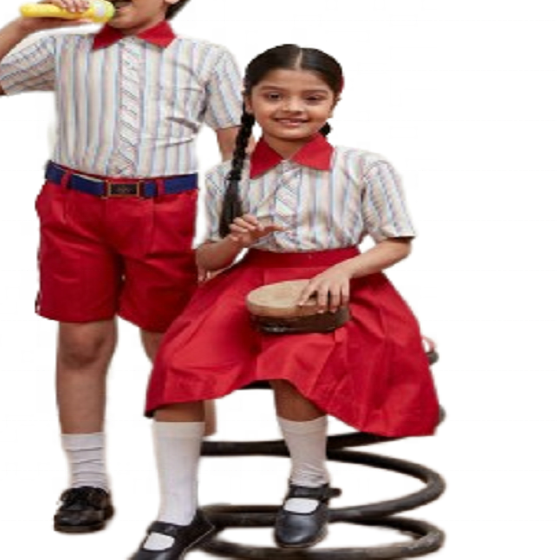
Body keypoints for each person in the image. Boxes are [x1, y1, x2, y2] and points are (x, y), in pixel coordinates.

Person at [0, 0, 243, 534]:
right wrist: (24, 25)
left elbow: (236, 152)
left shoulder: (206, 57)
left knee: (169, 342)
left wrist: (228, 233)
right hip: (73, 208)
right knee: (80, 343)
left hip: (164, 210)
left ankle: (189, 473)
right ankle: (86, 480)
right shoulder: (63, 48)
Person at [129, 44, 440, 559]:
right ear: (248, 100)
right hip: (248, 283)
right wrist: (236, 242)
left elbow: (396, 241)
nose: (292, 108)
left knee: (294, 360)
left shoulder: (364, 166)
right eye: (273, 96)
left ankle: (308, 482)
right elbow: (208, 257)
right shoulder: (227, 175)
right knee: (178, 361)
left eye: (311, 98)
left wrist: (343, 269)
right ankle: (178, 513)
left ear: (334, 102)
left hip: (344, 282)